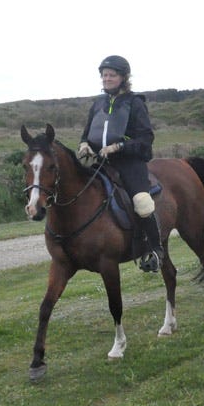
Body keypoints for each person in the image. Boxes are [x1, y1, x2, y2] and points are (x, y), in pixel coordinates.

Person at [77, 55, 163, 273]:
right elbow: (87, 133)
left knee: (142, 202)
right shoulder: (98, 103)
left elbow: (145, 139)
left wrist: (119, 147)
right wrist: (84, 145)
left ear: (123, 77)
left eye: (111, 75)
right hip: (100, 162)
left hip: (129, 163)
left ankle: (155, 250)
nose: (106, 79)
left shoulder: (135, 103)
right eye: (104, 75)